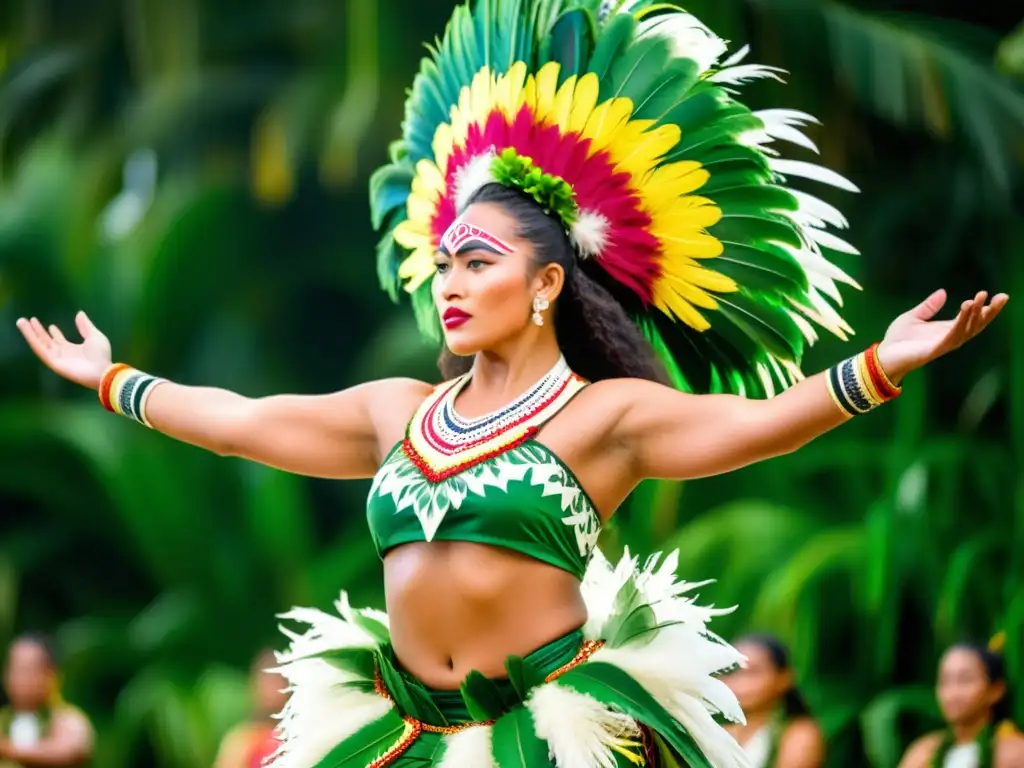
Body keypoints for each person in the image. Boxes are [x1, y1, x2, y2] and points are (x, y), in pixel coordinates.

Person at [14, 0, 1008, 764]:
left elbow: (756, 427)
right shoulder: (399, 411)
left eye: (477, 261)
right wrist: (114, 383)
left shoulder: (603, 416)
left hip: (552, 731)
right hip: (397, 728)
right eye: (443, 260)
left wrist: (878, 365)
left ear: (543, 284)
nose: (449, 280)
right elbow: (241, 421)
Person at [899, 642, 1024, 768]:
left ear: (996, 690)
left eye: (965, 680)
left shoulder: (1015, 753)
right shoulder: (923, 752)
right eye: (945, 680)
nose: (953, 693)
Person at [723, 635, 824, 768]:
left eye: (754, 672)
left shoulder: (799, 736)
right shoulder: (722, 732)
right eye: (734, 671)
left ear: (784, 678)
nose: (741, 683)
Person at [0, 634, 93, 767]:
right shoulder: (2, 720)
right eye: (15, 668)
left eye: (28, 669)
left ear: (50, 675)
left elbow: (69, 750)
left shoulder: (67, 719)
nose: (20, 677)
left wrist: (6, 749)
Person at [213, 649, 289, 768]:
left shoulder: (295, 735)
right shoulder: (242, 740)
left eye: (277, 681)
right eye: (268, 682)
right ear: (254, 686)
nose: (273, 689)